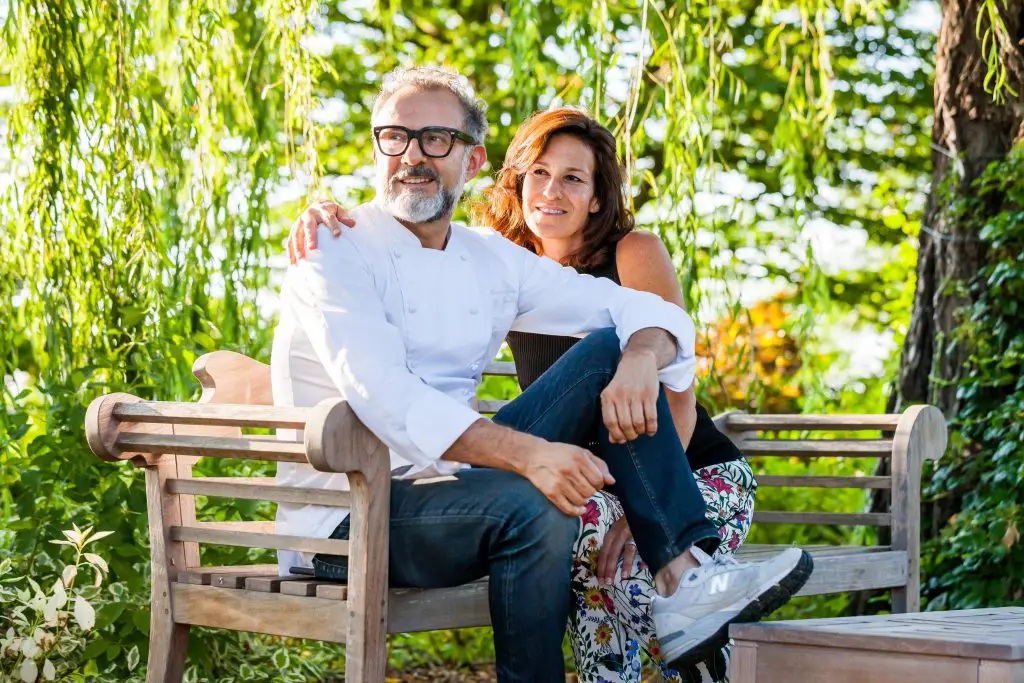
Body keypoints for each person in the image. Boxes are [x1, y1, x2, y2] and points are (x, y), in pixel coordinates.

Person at [273, 65, 811, 683]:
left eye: (436, 140)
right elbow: (384, 396)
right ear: (376, 145)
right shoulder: (333, 245)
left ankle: (684, 579)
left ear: (472, 160)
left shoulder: (488, 256)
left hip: (454, 480)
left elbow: (643, 312)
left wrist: (638, 358)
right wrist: (529, 455)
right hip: (352, 511)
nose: (412, 156)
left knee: (613, 345)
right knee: (536, 501)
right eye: (394, 136)